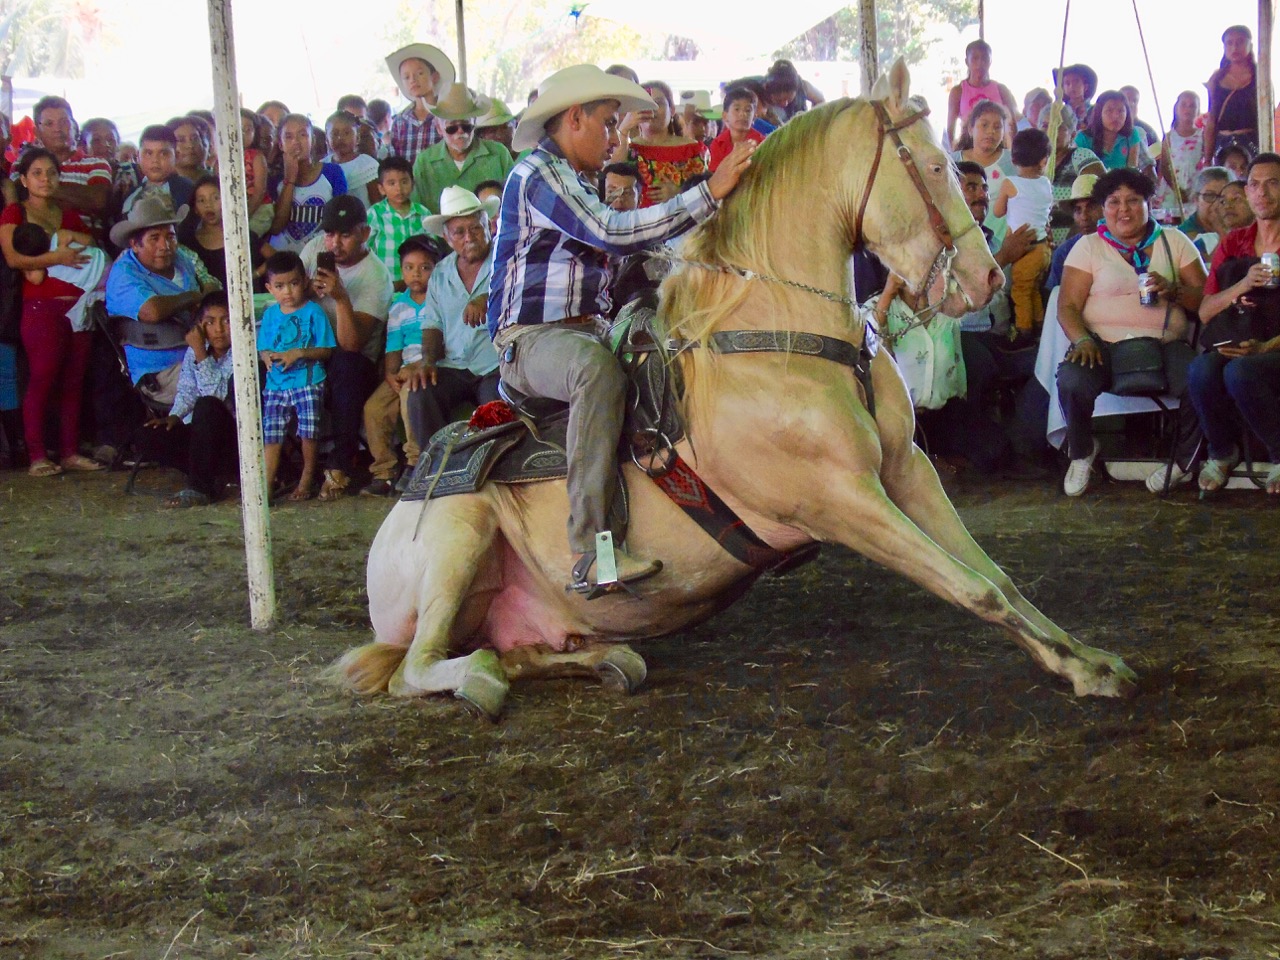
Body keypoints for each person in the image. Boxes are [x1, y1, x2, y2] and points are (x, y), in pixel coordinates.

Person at [487, 64, 754, 593]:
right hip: (530, 342)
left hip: (582, 333)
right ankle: (590, 551)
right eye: (609, 124)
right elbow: (612, 232)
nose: (616, 137)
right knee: (597, 372)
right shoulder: (537, 174)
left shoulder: (575, 181)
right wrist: (710, 193)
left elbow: (641, 246)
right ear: (575, 117)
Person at [1055, 169, 1207, 496]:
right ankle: (1082, 452)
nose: (1123, 209)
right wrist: (1082, 339)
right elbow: (1066, 305)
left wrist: (1174, 291)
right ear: (1102, 208)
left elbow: (1207, 302)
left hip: (1165, 345)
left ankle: (1183, 463)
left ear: (1148, 204)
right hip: (1102, 346)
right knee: (1072, 379)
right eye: (1113, 202)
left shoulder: (1175, 241)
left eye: (1133, 201)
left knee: (1199, 379)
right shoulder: (1088, 246)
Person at [1189, 152, 1280, 494]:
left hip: (1274, 346)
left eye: (1273, 183)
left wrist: (1266, 347)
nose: (1262, 193)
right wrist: (1242, 284)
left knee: (1242, 372)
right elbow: (1205, 312)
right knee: (1202, 370)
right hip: (1241, 340)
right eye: (1255, 184)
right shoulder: (1233, 243)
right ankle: (1222, 452)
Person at [301, 194, 393, 500]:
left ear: (364, 233)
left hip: (357, 363)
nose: (334, 244)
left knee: (346, 364)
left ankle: (341, 462)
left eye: (345, 235)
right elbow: (287, 298)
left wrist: (340, 297)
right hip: (312, 351)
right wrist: (305, 292)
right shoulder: (314, 250)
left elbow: (352, 343)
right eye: (329, 234)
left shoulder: (376, 276)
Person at [403, 187, 501, 456]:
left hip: (497, 363)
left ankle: (497, 473)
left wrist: (487, 298)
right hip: (455, 364)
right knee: (421, 391)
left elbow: (522, 297)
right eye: (459, 232)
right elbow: (432, 325)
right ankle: (433, 470)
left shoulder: (507, 261)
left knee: (496, 401)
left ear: (489, 226)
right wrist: (427, 362)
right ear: (447, 238)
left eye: (476, 228)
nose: (469, 238)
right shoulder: (440, 274)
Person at [7, 218, 104, 476]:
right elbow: (35, 277)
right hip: (43, 311)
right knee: (42, 379)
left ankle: (70, 452)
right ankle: (37, 455)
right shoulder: (30, 253)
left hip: (79, 308)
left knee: (73, 382)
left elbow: (90, 243)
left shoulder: (60, 235)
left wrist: (65, 238)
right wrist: (57, 256)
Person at [136, 291, 238, 506]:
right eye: (210, 323)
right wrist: (174, 416)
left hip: (232, 435)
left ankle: (200, 488)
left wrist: (201, 352)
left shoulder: (242, 351)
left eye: (227, 321)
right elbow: (187, 390)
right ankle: (213, 475)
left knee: (207, 406)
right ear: (200, 326)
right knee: (147, 435)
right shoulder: (195, 351)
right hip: (202, 436)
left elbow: (217, 396)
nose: (219, 330)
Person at [360, 237, 440, 495]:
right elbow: (393, 346)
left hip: (430, 366)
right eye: (409, 267)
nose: (416, 273)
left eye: (425, 267)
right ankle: (383, 471)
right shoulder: (398, 306)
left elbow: (445, 344)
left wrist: (413, 368)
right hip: (403, 370)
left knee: (410, 396)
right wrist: (391, 374)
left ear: (436, 269)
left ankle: (415, 462)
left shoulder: (441, 299)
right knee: (374, 408)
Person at [257, 250, 335, 501]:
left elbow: (327, 349)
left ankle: (307, 477)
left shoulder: (313, 311)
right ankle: (266, 483)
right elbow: (263, 348)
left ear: (304, 281)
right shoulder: (270, 314)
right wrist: (266, 356)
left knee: (308, 433)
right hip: (276, 384)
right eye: (280, 286)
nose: (288, 292)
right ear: (270, 288)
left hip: (308, 381)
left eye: (294, 283)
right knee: (271, 435)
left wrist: (299, 353)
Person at [6, 96, 111, 237]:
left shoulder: (97, 164)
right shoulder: (21, 164)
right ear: (37, 132)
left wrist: (41, 189)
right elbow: (21, 197)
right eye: (49, 124)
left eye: (63, 122)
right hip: (37, 245)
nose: (58, 129)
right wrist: (81, 197)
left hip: (88, 248)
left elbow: (98, 201)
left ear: (74, 126)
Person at [411, 86, 514, 215]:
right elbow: (417, 210)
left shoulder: (499, 154)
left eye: (466, 126)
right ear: (439, 127)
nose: (460, 132)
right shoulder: (424, 162)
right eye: (452, 128)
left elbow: (514, 202)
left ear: (475, 123)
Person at [992, 128, 1053, 334]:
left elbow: (998, 212)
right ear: (1044, 160)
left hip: (1024, 250)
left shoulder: (1010, 184)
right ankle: (1039, 326)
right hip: (1043, 248)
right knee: (1033, 289)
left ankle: (1024, 331)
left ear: (1014, 158)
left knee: (1020, 291)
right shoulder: (1045, 183)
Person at [612, 80, 708, 207]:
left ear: (672, 110)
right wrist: (624, 127)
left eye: (658, 103)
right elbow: (612, 176)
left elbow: (706, 194)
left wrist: (678, 194)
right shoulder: (628, 148)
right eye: (645, 104)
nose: (652, 109)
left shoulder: (694, 150)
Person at [267, 115, 347, 253]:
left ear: (313, 140)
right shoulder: (274, 179)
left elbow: (340, 221)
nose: (296, 142)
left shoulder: (332, 172)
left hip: (321, 256)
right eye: (288, 137)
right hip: (283, 260)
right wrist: (290, 179)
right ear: (280, 144)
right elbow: (276, 228)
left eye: (303, 135)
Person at [178, 175, 263, 288]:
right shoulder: (188, 241)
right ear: (195, 209)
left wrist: (255, 274)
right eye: (201, 200)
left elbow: (276, 257)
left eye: (216, 198)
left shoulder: (240, 234)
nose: (208, 205)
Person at [1039, 103, 1105, 247]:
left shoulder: (1080, 156)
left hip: (1080, 245)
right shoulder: (1033, 165)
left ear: (1072, 133)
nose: (1051, 131)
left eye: (1059, 126)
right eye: (1045, 126)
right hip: (1042, 248)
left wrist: (1071, 243)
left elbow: (1102, 196)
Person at [951, 100, 1014, 242]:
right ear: (970, 129)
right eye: (984, 125)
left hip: (1001, 242)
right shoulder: (951, 162)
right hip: (960, 242)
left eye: (997, 127)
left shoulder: (1013, 163)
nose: (991, 131)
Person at [385, 42, 457, 165]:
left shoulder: (447, 116)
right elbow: (395, 161)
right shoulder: (400, 121)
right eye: (407, 77)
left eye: (419, 73)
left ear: (434, 77)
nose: (413, 80)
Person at [366, 156, 431, 289]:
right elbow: (366, 250)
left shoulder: (423, 213)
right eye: (391, 183)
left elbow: (432, 250)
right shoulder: (375, 214)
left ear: (412, 184)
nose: (399, 188)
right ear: (381, 189)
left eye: (404, 182)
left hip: (418, 285)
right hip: (386, 285)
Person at [945, 40, 1020, 148]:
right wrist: (953, 154)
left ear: (990, 61)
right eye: (975, 58)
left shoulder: (1001, 90)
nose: (980, 63)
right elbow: (950, 129)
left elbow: (1013, 124)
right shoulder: (958, 91)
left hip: (999, 147)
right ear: (967, 61)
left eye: (985, 58)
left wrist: (1013, 152)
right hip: (969, 148)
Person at [1203, 25, 1259, 166]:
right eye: (1229, 43)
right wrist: (1208, 159)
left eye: (1240, 42)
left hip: (1252, 143)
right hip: (1223, 145)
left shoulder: (1260, 76)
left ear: (1249, 45)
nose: (1234, 47)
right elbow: (1212, 119)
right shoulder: (1217, 78)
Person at [117, 125, 195, 220]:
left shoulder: (188, 191)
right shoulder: (130, 196)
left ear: (176, 156)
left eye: (163, 154)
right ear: (138, 156)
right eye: (149, 153)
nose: (155, 160)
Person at [1047, 173, 1103, 289]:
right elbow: (1054, 297)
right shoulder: (1064, 252)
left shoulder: (1121, 246)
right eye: (1078, 210)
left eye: (1091, 207)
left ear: (1105, 208)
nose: (1084, 216)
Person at [1155, 91, 1205, 221]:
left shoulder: (1203, 135)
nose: (1187, 109)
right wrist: (1177, 191)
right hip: (1171, 189)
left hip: (1194, 188)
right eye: (1184, 105)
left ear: (1198, 109)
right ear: (1176, 109)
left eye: (1192, 106)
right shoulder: (1169, 136)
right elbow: (1164, 166)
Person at [1076, 91, 1145, 173]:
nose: (1115, 116)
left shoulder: (1132, 134)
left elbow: (1132, 171)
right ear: (1099, 113)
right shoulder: (1083, 138)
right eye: (1109, 111)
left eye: (1121, 111)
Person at [325, 111, 380, 206]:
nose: (340, 138)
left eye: (346, 133)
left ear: (357, 137)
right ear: (327, 139)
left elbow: (377, 203)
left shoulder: (368, 164)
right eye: (334, 133)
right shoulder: (323, 166)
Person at [1179, 166, 1232, 260]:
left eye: (1223, 197)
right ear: (1196, 199)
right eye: (1209, 196)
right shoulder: (1185, 235)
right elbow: (1208, 267)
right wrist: (1222, 233)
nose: (1217, 204)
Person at [708, 86, 765, 173]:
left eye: (748, 110)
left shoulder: (762, 143)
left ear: (754, 117)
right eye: (737, 109)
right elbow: (714, 174)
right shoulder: (718, 144)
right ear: (725, 116)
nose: (742, 114)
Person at [762, 60, 824, 125]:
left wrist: (813, 121)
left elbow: (820, 100)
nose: (784, 104)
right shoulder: (759, 95)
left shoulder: (803, 87)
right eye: (778, 100)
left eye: (788, 99)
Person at [1054, 63, 1098, 130]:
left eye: (1076, 82)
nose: (1071, 86)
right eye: (1067, 83)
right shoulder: (1059, 112)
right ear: (1063, 88)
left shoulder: (1095, 111)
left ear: (1085, 87)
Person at [171, 116, 213, 183]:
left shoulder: (218, 180)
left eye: (195, 138)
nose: (190, 145)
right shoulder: (160, 186)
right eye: (181, 140)